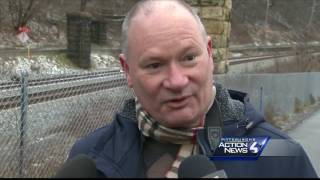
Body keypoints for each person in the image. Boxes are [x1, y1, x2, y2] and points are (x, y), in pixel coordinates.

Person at [66, 0, 318, 178]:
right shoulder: (91, 157)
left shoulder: (277, 154)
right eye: (155, 65)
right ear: (127, 70)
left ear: (209, 54)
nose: (177, 81)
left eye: (189, 58)